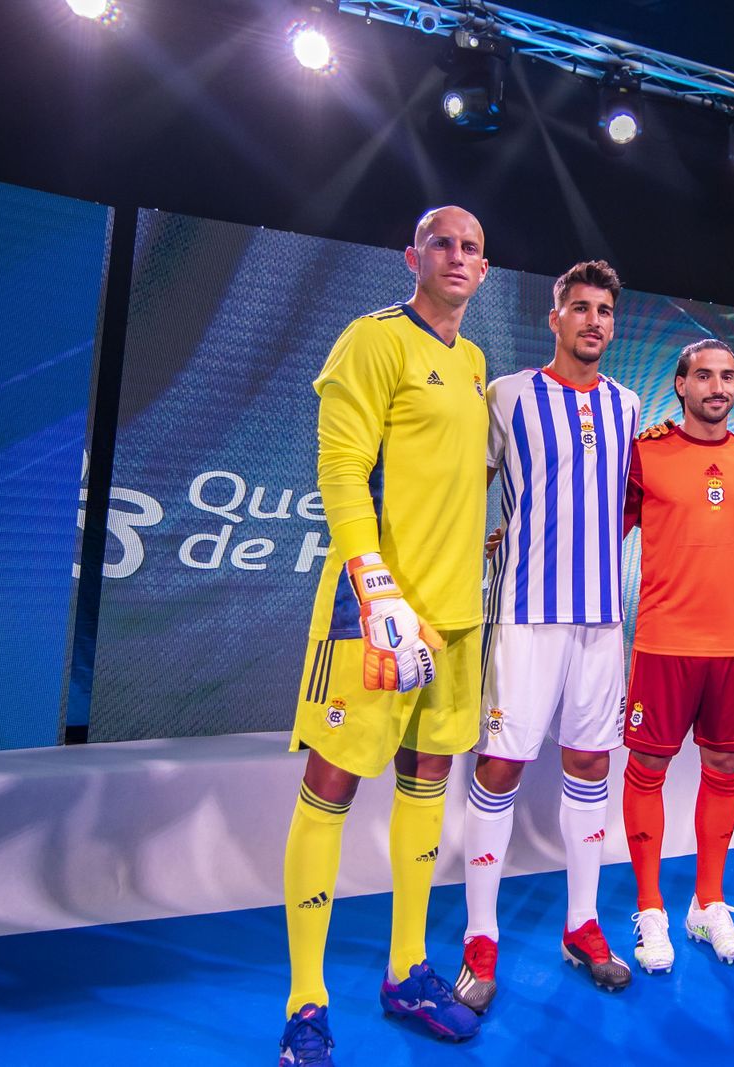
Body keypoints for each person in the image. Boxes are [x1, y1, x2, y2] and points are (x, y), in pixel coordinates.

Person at [279, 207, 490, 1063]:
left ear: (484, 269)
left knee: (427, 780)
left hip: (453, 619)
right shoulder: (370, 340)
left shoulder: (474, 361)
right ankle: (305, 1003)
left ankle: (407, 970)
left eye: (473, 248)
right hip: (376, 613)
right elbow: (339, 467)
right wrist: (373, 585)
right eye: (442, 242)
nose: (458, 256)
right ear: (413, 256)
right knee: (330, 785)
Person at [455, 261, 642, 1013]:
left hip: (601, 620)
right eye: (580, 308)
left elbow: (627, 502)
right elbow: (466, 487)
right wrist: (489, 540)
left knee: (591, 763)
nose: (594, 320)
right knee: (499, 766)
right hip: (524, 614)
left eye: (605, 311)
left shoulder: (630, 405)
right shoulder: (506, 395)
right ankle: (480, 934)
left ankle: (583, 922)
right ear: (554, 316)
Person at [619, 339, 734, 973]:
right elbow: (600, 532)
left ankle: (707, 903)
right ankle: (651, 909)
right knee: (648, 768)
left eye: (728, 376)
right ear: (679, 385)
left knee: (724, 767)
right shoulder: (645, 454)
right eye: (703, 376)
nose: (718, 386)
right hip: (662, 641)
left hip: (733, 645)